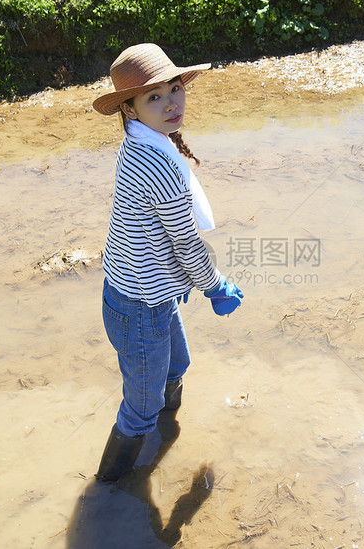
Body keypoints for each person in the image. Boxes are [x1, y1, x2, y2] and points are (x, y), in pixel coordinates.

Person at [91, 43, 244, 482]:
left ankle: (169, 434)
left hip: (142, 293)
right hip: (140, 306)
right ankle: (109, 492)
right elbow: (184, 243)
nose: (171, 102)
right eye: (153, 96)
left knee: (177, 367)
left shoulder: (144, 144)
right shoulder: (156, 161)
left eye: (174, 88)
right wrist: (215, 287)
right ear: (131, 110)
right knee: (140, 409)